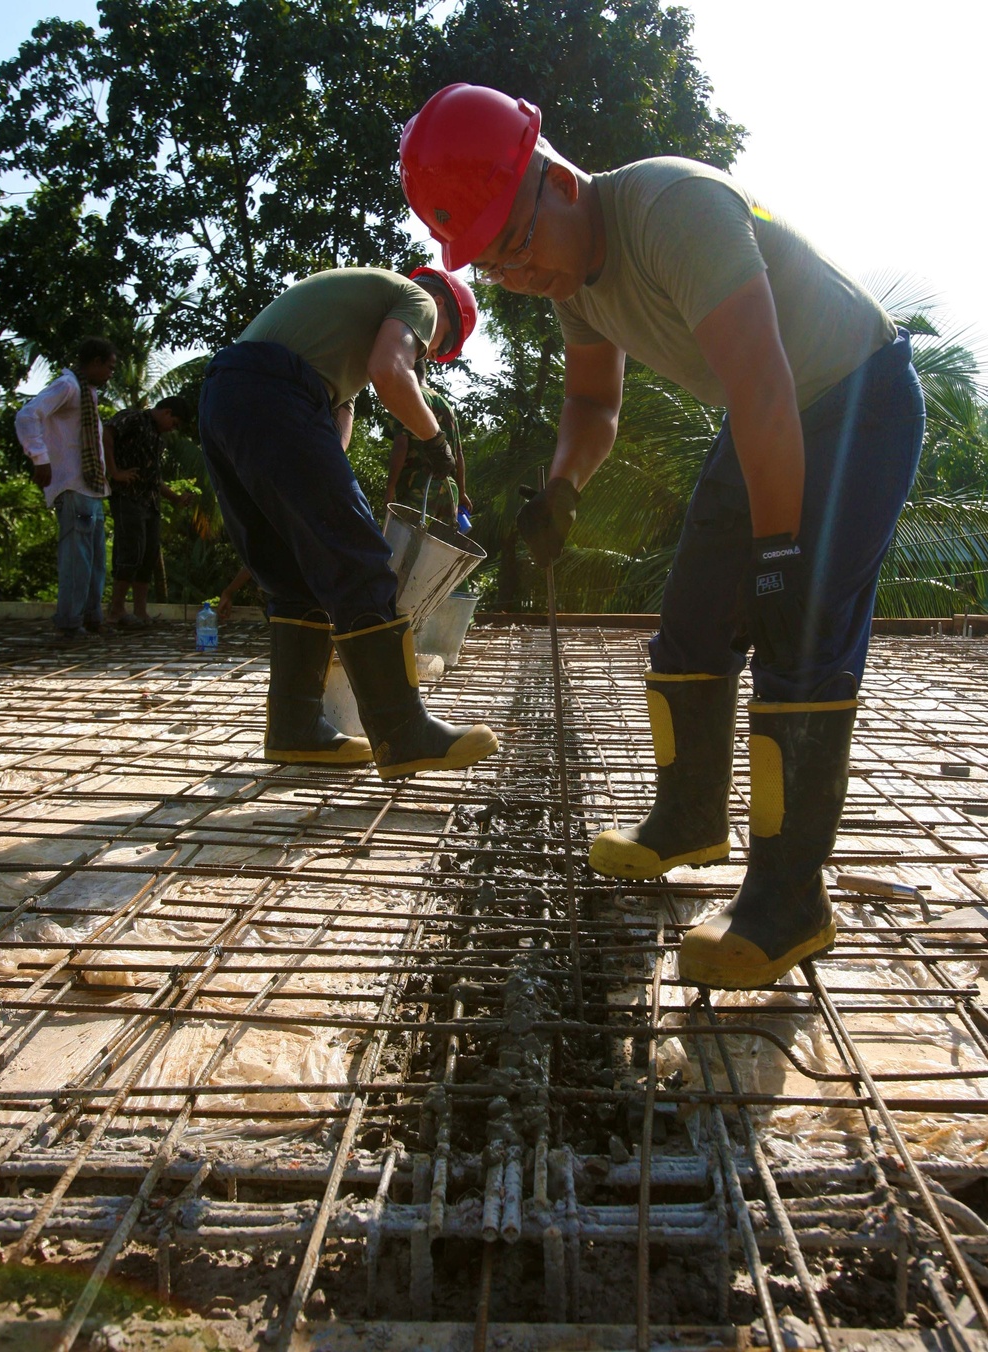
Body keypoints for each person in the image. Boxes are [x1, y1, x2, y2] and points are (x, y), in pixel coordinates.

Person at [400, 84, 926, 990]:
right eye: (493, 266)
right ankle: (687, 819)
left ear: (558, 180)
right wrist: (562, 486)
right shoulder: (568, 278)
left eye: (517, 245)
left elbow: (763, 383)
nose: (518, 276)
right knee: (688, 626)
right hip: (763, 415)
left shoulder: (673, 207)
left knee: (797, 635)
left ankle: (789, 903)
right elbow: (594, 403)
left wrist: (778, 556)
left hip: (853, 400)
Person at [198, 264, 499, 777]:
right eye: (435, 345)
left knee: (294, 574)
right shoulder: (418, 300)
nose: (426, 349)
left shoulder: (340, 333)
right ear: (444, 315)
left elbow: (336, 427)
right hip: (276, 394)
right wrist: (434, 441)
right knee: (361, 561)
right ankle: (402, 732)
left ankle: (294, 728)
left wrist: (324, 494)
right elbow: (392, 371)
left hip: (224, 399)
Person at [16, 337, 117, 644]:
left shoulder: (87, 394)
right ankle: (70, 625)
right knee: (77, 560)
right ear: (96, 363)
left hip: (91, 488)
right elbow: (27, 415)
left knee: (96, 561)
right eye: (109, 367)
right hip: (73, 486)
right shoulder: (68, 386)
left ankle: (89, 618)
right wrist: (40, 457)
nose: (111, 373)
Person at [103, 396, 196, 627]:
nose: (172, 429)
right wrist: (114, 472)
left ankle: (140, 612)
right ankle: (116, 610)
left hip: (151, 502)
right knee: (130, 551)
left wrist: (175, 498)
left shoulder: (157, 437)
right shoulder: (133, 417)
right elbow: (106, 433)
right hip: (127, 497)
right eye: (174, 423)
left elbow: (154, 478)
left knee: (149, 553)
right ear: (166, 412)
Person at [385, 357, 472, 526]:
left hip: (418, 486)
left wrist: (390, 489)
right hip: (449, 492)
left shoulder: (409, 397)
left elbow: (401, 446)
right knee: (438, 550)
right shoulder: (446, 405)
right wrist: (461, 493)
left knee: (407, 547)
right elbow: (458, 454)